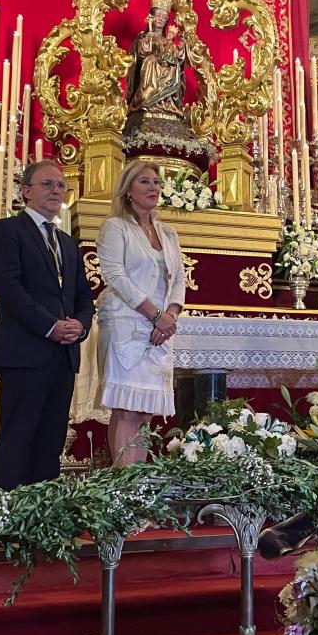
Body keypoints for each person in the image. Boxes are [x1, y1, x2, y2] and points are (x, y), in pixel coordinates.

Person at [0, 160, 94, 490]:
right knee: (18, 435)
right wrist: (50, 326)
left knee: (50, 439)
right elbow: (9, 288)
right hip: (25, 351)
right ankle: (6, 515)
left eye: (61, 186)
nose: (56, 191)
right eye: (48, 184)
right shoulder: (6, 231)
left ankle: (41, 517)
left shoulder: (68, 243)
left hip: (62, 354)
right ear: (26, 191)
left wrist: (79, 325)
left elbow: (84, 296)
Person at [96, 160, 186, 466]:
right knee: (126, 408)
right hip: (127, 324)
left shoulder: (168, 233)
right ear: (129, 191)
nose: (153, 188)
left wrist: (169, 316)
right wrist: (154, 314)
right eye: (145, 182)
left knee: (146, 410)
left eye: (157, 182)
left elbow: (179, 279)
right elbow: (115, 276)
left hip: (161, 330)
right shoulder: (115, 227)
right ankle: (123, 491)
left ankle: (138, 490)